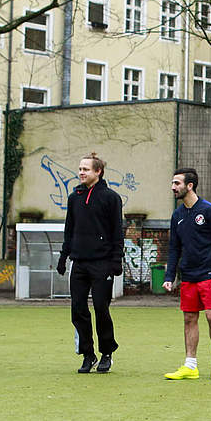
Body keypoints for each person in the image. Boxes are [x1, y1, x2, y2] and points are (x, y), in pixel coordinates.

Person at [162, 167, 211, 381]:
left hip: (210, 275)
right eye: (173, 183)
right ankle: (190, 365)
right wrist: (169, 276)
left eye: (177, 183)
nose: (173, 187)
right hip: (188, 276)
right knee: (189, 318)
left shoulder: (209, 211)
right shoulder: (177, 215)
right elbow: (174, 248)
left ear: (189, 186)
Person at [58, 153, 123, 374]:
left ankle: (107, 353)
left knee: (101, 308)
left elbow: (116, 232)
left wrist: (116, 261)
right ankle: (88, 354)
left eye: (86, 169)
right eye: (80, 169)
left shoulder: (111, 198)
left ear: (98, 172)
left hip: (102, 263)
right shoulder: (74, 197)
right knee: (77, 309)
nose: (81, 172)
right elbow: (70, 229)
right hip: (79, 263)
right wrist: (63, 256)